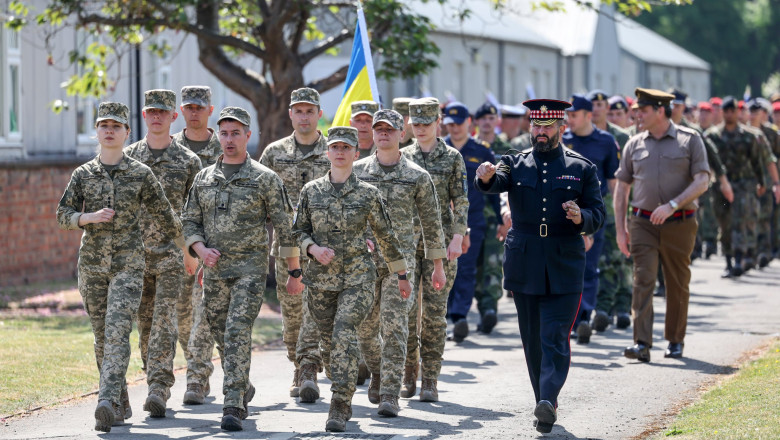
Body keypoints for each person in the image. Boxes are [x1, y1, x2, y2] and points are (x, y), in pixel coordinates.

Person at [476, 98, 605, 434]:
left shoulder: (581, 167)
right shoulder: (514, 162)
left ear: (561, 128)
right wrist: (487, 177)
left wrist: (582, 217)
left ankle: (549, 398)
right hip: (525, 261)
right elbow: (497, 180)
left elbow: (597, 215)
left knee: (554, 336)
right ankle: (543, 401)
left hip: (565, 260)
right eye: (536, 126)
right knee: (533, 340)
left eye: (548, 126)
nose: (541, 132)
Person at [57, 102, 184, 432]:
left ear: (127, 133)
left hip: (129, 266)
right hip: (92, 268)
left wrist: (192, 249)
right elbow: (63, 215)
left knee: (116, 332)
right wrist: (87, 218)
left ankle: (105, 399)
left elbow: (166, 216)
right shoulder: (83, 174)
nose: (109, 130)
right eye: (103, 125)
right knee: (101, 336)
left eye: (116, 126)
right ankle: (119, 400)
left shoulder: (140, 173)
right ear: (97, 132)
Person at [181, 106, 303, 431]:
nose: (229, 139)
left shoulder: (265, 179)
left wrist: (293, 271)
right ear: (217, 135)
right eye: (224, 133)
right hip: (215, 271)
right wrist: (199, 249)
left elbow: (285, 227)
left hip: (250, 269)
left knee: (236, 331)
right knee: (220, 331)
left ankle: (233, 405)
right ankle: (242, 381)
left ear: (248, 136)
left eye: (236, 133)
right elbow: (190, 219)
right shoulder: (204, 178)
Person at [293, 126, 409, 432]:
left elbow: (386, 236)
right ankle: (369, 373)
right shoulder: (311, 192)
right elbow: (297, 231)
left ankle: (340, 405)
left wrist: (402, 274)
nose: (341, 152)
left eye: (347, 147)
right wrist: (313, 249)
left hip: (358, 278)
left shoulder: (369, 194)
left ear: (356, 154)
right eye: (335, 147)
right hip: (320, 282)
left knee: (345, 331)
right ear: (327, 153)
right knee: (330, 345)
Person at [354, 109, 447, 417]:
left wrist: (437, 266)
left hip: (400, 266)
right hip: (363, 264)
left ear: (400, 134)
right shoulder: (356, 172)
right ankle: (378, 371)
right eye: (378, 129)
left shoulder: (417, 176)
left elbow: (432, 224)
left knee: (394, 328)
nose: (382, 133)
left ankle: (390, 394)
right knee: (366, 330)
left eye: (389, 129)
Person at [615, 88, 710, 362]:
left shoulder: (689, 140)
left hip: (679, 222)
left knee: (676, 282)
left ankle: (675, 340)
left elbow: (703, 180)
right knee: (643, 279)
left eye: (642, 111)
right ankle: (642, 343)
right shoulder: (634, 144)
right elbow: (622, 189)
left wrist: (673, 205)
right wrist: (621, 230)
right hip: (642, 223)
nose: (637, 115)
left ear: (660, 111)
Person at [124, 89, 202, 417]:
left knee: (165, 320)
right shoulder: (127, 158)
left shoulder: (189, 161)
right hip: (135, 257)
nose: (156, 117)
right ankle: (151, 375)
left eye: (163, 112)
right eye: (151, 112)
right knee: (144, 323)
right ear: (144, 116)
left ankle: (159, 387)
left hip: (172, 254)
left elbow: (196, 211)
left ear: (173, 117)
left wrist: (191, 251)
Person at [259, 87, 329, 402]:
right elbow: (257, 198)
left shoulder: (333, 150)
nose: (304, 116)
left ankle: (309, 370)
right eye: (298, 111)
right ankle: (299, 365)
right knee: (292, 318)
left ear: (319, 114)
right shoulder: (273, 153)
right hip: (286, 248)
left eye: (309, 111)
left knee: (318, 313)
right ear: (290, 114)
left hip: (324, 249)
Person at [400, 97, 469, 401]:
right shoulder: (400, 156)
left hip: (439, 243)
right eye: (416, 124)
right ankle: (407, 373)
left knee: (434, 314)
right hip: (405, 243)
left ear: (438, 122)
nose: (422, 129)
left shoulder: (452, 157)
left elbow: (462, 199)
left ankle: (430, 378)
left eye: (427, 123)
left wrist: (458, 235)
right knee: (404, 311)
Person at [172, 85, 221, 405]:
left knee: (208, 312)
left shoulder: (227, 145)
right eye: (188, 107)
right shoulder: (170, 147)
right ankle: (195, 367)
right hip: (179, 243)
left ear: (210, 110)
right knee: (183, 314)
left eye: (199, 107)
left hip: (216, 245)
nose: (194, 112)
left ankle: (198, 377)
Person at [443, 101, 503, 342]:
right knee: (443, 270)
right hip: (442, 220)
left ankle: (460, 317)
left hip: (473, 219)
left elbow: (495, 189)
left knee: (466, 269)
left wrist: (500, 219)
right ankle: (445, 315)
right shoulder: (439, 150)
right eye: (450, 124)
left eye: (458, 124)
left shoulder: (482, 151)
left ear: (468, 122)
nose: (454, 128)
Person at [562, 94, 619, 342]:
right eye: (568, 115)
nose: (570, 120)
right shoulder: (562, 141)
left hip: (594, 213)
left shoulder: (606, 141)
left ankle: (583, 316)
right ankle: (569, 317)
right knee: (566, 266)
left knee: (589, 265)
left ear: (588, 115)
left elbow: (613, 182)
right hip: (565, 212)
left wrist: (617, 215)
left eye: (574, 115)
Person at [705, 96, 766, 278]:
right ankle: (729, 260)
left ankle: (739, 259)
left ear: (738, 112)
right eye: (727, 111)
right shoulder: (713, 135)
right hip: (721, 188)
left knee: (740, 220)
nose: (730, 114)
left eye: (733, 111)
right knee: (725, 223)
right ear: (723, 112)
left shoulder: (748, 136)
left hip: (743, 186)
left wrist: (761, 182)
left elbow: (757, 161)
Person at [474, 102, 511, 334]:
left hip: (496, 217)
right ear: (476, 122)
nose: (487, 122)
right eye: (483, 118)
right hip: (475, 216)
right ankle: (477, 306)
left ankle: (490, 309)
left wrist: (505, 217)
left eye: (491, 118)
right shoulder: (469, 146)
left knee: (493, 263)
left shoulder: (507, 149)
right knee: (474, 265)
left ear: (496, 121)